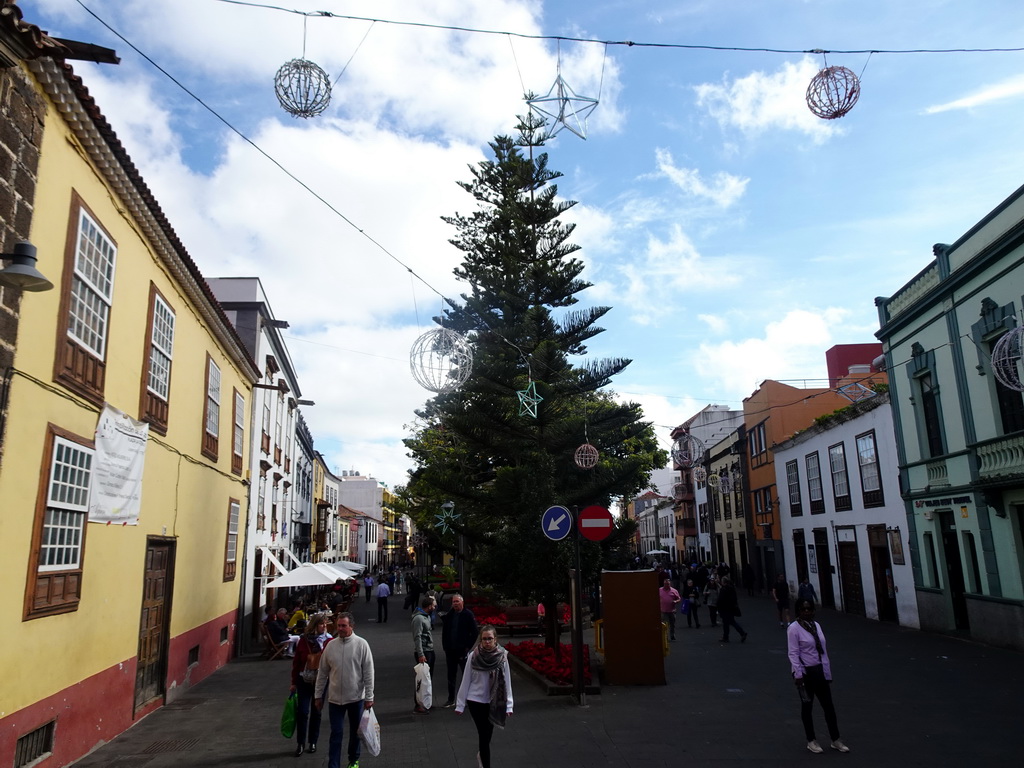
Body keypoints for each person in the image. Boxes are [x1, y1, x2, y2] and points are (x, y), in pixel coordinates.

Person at [787, 598, 850, 754]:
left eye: (809, 609)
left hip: (820, 671)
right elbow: (793, 652)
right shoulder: (794, 629)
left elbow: (822, 650)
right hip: (806, 673)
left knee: (829, 706)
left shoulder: (816, 626)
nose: (807, 612)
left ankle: (835, 739)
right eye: (803, 609)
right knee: (807, 708)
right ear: (799, 611)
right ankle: (811, 740)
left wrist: (827, 672)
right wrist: (798, 673)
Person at [314, 612, 375, 768]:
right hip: (335, 700)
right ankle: (333, 765)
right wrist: (318, 695)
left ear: (351, 626)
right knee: (336, 733)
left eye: (343, 625)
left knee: (356, 732)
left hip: (356, 698)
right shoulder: (330, 646)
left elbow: (368, 672)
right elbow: (322, 672)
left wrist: (369, 696)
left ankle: (353, 760)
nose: (340, 628)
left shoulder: (362, 645)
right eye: (338, 625)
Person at [455, 625, 514, 768]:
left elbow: (507, 681)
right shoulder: (473, 656)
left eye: (490, 639)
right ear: (480, 640)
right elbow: (466, 679)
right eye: (484, 639)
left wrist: (509, 704)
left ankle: (481, 754)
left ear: (496, 639)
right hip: (475, 700)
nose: (487, 642)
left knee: (488, 733)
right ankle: (485, 764)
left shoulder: (502, 657)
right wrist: (460, 704)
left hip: (493, 700)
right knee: (483, 733)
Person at [290, 613, 332, 756]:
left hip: (321, 681)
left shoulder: (329, 641)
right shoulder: (303, 641)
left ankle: (313, 741)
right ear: (314, 625)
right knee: (302, 712)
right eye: (322, 624)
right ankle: (300, 743)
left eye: (326, 624)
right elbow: (296, 663)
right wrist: (293, 682)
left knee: (316, 712)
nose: (325, 627)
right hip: (303, 680)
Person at [441, 594, 478, 707]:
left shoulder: (468, 615)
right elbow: (445, 632)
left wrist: (467, 647)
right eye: (454, 602)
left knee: (466, 675)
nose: (455, 604)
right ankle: (451, 699)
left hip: (462, 650)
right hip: (450, 650)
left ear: (462, 602)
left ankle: (469, 698)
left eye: (457, 601)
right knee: (451, 676)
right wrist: (445, 647)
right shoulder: (450, 615)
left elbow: (475, 632)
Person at [412, 596, 436, 713]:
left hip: (429, 649)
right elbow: (417, 637)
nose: (435, 607)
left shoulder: (426, 617)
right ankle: (419, 704)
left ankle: (426, 702)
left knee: (427, 678)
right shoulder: (419, 619)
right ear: (429, 606)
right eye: (434, 605)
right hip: (424, 650)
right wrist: (421, 653)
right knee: (422, 679)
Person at [716, 576, 748, 643]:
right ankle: (729, 636)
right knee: (730, 622)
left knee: (727, 623)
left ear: (723, 582)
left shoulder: (723, 589)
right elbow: (735, 599)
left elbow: (720, 600)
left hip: (724, 609)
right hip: (731, 608)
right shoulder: (732, 588)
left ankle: (727, 637)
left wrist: (718, 608)